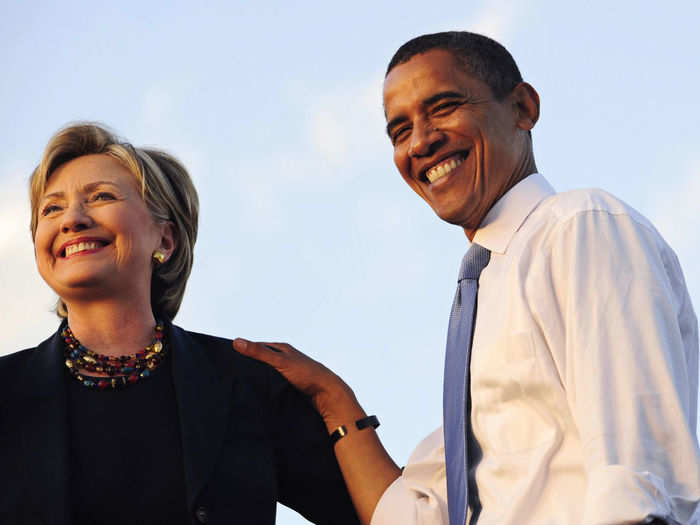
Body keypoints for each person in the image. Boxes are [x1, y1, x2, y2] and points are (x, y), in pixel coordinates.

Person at [234, 31, 700, 524]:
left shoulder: (578, 227)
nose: (420, 142)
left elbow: (638, 481)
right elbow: (408, 518)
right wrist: (332, 398)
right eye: (398, 131)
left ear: (522, 107)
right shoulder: (483, 296)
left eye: (444, 106)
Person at [0, 123, 359, 524]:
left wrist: (334, 399)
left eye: (100, 196)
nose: (73, 219)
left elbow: (384, 514)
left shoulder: (248, 383)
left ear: (165, 240)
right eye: (51, 208)